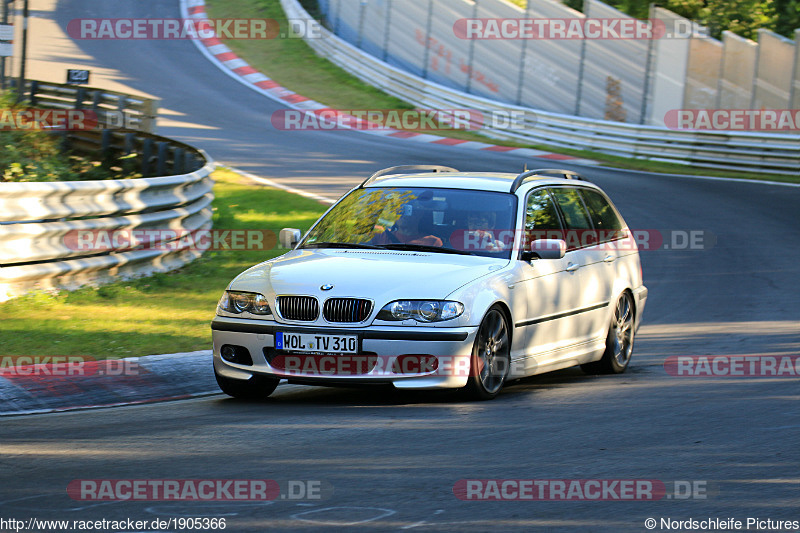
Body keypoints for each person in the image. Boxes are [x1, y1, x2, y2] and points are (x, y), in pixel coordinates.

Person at [371, 203, 443, 247]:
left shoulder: (432, 242)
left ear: (419, 215)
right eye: (399, 212)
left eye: (408, 212)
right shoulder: (381, 235)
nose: (402, 216)